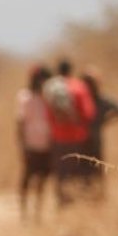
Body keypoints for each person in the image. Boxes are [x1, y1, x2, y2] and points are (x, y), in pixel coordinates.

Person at [43, 58, 96, 205]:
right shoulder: (79, 86)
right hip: (79, 137)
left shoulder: (51, 87)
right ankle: (80, 203)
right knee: (79, 173)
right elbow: (88, 113)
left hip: (57, 137)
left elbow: (47, 115)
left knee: (61, 174)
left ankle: (63, 203)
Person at [15, 64, 53, 220]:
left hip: (46, 145)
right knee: (27, 178)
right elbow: (20, 122)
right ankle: (23, 212)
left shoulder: (48, 98)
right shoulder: (24, 97)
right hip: (31, 145)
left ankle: (38, 212)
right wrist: (22, 145)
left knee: (42, 180)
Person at [80, 67, 118, 193]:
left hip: (93, 140)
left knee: (97, 169)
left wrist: (105, 122)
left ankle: (98, 195)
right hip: (81, 140)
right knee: (83, 170)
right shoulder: (82, 99)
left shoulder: (101, 99)